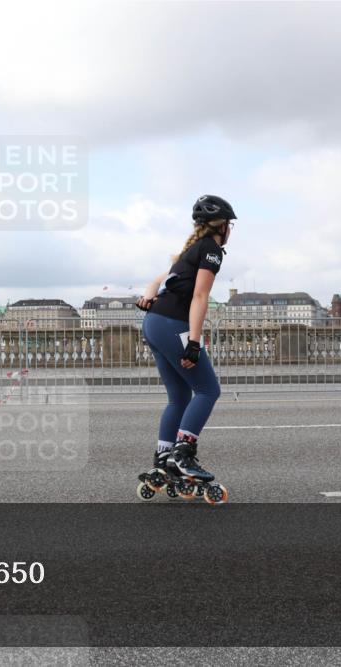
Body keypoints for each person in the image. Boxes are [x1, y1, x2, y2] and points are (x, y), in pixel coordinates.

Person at [136, 194, 235, 485]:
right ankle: (183, 455)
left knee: (178, 397)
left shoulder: (188, 250)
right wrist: (194, 341)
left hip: (153, 324)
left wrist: (147, 298)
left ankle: (164, 458)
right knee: (207, 390)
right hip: (174, 325)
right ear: (222, 227)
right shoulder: (211, 250)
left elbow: (156, 281)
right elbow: (200, 296)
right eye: (229, 225)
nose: (230, 231)